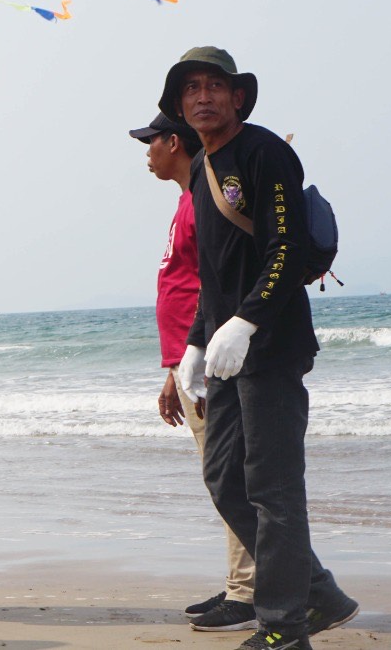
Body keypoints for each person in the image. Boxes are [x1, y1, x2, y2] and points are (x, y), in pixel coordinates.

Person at [163, 48, 359, 650]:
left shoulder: (265, 151)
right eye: (192, 88)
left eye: (215, 86)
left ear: (238, 97)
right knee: (225, 479)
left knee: (272, 488)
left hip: (270, 346)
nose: (204, 97)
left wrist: (246, 322)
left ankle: (283, 627)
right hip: (223, 353)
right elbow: (216, 274)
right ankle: (318, 593)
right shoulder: (201, 167)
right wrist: (197, 342)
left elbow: (285, 248)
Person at [130, 112, 257, 630]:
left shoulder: (202, 200)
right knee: (220, 475)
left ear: (173, 141)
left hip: (209, 362)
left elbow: (214, 286)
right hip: (189, 361)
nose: (146, 152)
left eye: (150, 141)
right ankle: (241, 583)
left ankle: (250, 592)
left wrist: (197, 363)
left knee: (229, 475)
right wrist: (172, 371)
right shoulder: (188, 201)